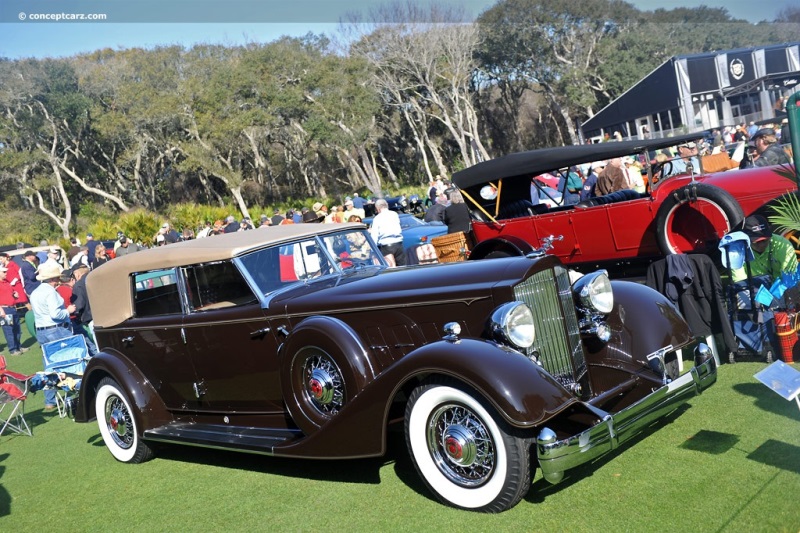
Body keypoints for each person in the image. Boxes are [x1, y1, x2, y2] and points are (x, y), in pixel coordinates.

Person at [29, 261, 76, 411]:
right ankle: (71, 395)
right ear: (52, 279)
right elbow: (56, 314)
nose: (57, 281)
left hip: (42, 330)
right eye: (56, 278)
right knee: (67, 362)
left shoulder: (35, 292)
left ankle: (50, 400)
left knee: (48, 366)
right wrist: (68, 310)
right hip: (56, 329)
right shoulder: (50, 292)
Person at [730, 215, 798, 283]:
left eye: (764, 240)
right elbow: (740, 281)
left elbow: (790, 277)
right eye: (757, 242)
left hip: (781, 288)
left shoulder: (783, 245)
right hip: (752, 289)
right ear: (746, 239)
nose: (761, 245)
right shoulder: (737, 250)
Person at [369, 199, 406, 266]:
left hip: (387, 246)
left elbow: (374, 235)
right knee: (402, 268)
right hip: (398, 244)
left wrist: (372, 250)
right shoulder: (394, 214)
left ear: (378, 208)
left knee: (390, 270)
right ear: (387, 205)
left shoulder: (377, 218)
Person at [70, 264, 97, 357]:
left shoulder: (79, 285)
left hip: (92, 318)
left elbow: (79, 304)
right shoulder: (96, 278)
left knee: (100, 346)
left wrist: (74, 312)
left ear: (76, 273)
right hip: (106, 314)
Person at [0, 265, 28, 355]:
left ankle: (18, 346)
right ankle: (13, 349)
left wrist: (14, 294)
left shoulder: (6, 282)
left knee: (17, 328)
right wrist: (1, 311)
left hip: (12, 308)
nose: (6, 273)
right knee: (9, 330)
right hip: (5, 309)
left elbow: (11, 293)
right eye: (3, 272)